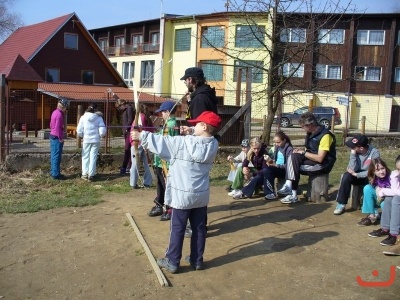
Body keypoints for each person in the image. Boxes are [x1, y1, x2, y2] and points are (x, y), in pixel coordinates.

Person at [131, 111, 221, 273]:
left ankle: (172, 261)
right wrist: (192, 131)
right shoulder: (213, 144)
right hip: (200, 195)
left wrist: (141, 135)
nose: (194, 126)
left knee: (178, 227)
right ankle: (197, 260)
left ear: (205, 126)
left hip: (182, 196)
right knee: (199, 228)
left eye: (198, 124)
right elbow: (203, 139)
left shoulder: (182, 143)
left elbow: (162, 141)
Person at [278, 111, 336, 204]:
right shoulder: (310, 133)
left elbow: (320, 158)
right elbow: (310, 149)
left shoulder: (325, 136)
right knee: (293, 156)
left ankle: (292, 193)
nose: (302, 128)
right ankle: (290, 189)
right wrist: (301, 151)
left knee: (293, 165)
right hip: (313, 160)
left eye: (303, 126)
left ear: (310, 124)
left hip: (323, 164)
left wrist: (303, 153)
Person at [233, 131, 293, 200]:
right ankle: (268, 193)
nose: (276, 144)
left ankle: (244, 192)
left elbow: (289, 166)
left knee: (264, 171)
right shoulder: (277, 147)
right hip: (272, 169)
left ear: (284, 140)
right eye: (275, 142)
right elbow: (246, 161)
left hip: (284, 170)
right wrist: (244, 168)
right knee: (259, 172)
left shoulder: (288, 149)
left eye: (278, 142)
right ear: (251, 147)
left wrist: (252, 174)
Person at [147, 100, 179, 220]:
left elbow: (163, 142)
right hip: (161, 162)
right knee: (161, 184)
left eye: (162, 112)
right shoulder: (168, 124)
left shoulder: (170, 125)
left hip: (165, 162)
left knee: (167, 185)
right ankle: (159, 204)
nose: (161, 115)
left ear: (167, 112)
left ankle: (170, 208)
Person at [333, 134, 380, 215]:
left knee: (374, 179)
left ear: (361, 148)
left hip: (368, 176)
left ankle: (373, 207)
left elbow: (374, 170)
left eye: (353, 147)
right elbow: (351, 168)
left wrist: (357, 174)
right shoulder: (354, 153)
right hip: (355, 174)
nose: (351, 148)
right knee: (346, 176)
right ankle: (341, 203)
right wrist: (353, 154)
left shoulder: (374, 153)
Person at [368, 156, 400, 248]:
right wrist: (394, 177)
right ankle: (385, 228)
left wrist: (382, 191)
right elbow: (395, 190)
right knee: (389, 198)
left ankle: (394, 234)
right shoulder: (396, 175)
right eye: (398, 169)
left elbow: (396, 192)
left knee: (396, 199)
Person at [357, 158, 391, 227]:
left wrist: (383, 191)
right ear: (373, 172)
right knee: (367, 188)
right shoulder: (374, 178)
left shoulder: (391, 177)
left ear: (385, 167)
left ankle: (388, 220)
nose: (381, 172)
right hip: (378, 198)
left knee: (384, 204)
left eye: (382, 168)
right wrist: (377, 188)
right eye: (378, 170)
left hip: (388, 199)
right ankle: (371, 215)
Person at [76, 103, 106, 182]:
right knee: (93, 157)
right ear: (96, 109)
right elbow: (102, 130)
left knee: (85, 156)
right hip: (95, 140)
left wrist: (82, 135)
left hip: (86, 140)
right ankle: (91, 175)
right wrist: (101, 135)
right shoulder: (99, 118)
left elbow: (79, 130)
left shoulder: (83, 117)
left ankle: (84, 174)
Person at [130, 104, 153, 189]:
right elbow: (151, 130)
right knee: (147, 163)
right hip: (146, 143)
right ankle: (147, 182)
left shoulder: (139, 118)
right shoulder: (147, 118)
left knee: (135, 163)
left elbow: (134, 130)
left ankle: (133, 183)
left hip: (138, 143)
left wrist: (131, 142)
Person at [49, 98, 69, 180]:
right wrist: (60, 138)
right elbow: (58, 127)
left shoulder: (54, 112)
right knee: (57, 156)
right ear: (64, 107)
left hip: (52, 135)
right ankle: (56, 174)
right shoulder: (60, 115)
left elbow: (51, 124)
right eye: (66, 107)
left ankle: (53, 171)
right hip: (57, 137)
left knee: (53, 155)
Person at [115, 98, 135, 175]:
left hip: (129, 132)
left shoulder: (129, 108)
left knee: (127, 149)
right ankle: (128, 166)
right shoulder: (125, 109)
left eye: (119, 107)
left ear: (122, 104)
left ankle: (125, 167)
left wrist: (127, 129)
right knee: (128, 150)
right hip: (126, 132)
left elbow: (130, 120)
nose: (119, 109)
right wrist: (113, 94)